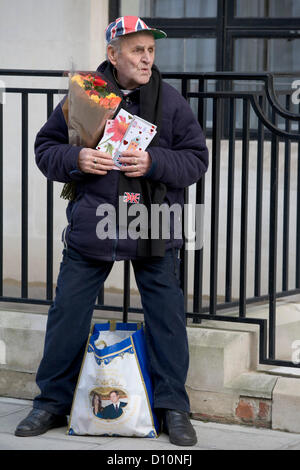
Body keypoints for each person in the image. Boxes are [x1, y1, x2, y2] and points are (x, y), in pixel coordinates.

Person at [15, 16, 209, 446]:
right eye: (137, 50)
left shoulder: (172, 102)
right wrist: (77, 160)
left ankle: (173, 407)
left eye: (151, 51)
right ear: (113, 55)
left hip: (153, 224)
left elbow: (196, 159)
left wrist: (154, 164)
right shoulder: (86, 96)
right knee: (67, 313)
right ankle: (50, 403)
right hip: (94, 224)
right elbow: (45, 149)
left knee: (167, 319)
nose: (146, 59)